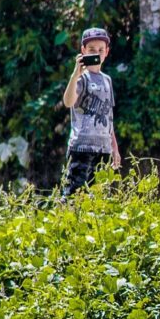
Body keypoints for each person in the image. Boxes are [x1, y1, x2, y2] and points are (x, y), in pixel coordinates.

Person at [60, 27, 121, 196]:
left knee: (99, 197)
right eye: (92, 50)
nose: (97, 53)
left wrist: (114, 148)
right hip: (81, 147)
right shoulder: (81, 78)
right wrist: (75, 75)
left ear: (106, 52)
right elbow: (68, 102)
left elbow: (108, 117)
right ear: (83, 51)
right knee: (74, 194)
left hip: (103, 148)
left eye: (101, 50)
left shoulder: (107, 80)